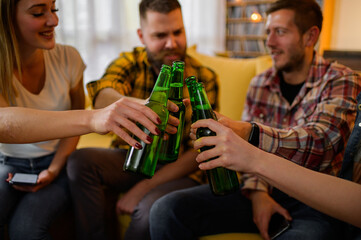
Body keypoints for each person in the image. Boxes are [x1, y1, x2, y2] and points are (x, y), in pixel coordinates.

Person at [149, 0, 361, 239]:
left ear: (310, 36)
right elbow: (243, 158)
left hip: (314, 203)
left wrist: (249, 132)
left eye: (280, 32)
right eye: (268, 32)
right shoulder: (260, 83)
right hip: (260, 189)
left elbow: (322, 145)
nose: (269, 42)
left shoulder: (342, 80)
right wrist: (259, 195)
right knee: (166, 210)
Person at [0, 0, 167, 239]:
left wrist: (54, 169)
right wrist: (98, 116)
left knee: (25, 229)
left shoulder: (68, 58)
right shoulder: (130, 61)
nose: (53, 21)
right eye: (38, 13)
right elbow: (3, 123)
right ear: (6, 18)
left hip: (55, 162)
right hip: (6, 163)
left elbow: (75, 127)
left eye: (54, 9)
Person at [66, 0, 219, 239]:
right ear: (141, 35)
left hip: (177, 170)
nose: (172, 43)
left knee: (149, 210)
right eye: (160, 35)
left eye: (178, 32)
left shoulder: (203, 78)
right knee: (79, 161)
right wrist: (140, 107)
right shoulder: (130, 62)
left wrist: (144, 187)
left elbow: (198, 152)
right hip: (133, 156)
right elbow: (102, 93)